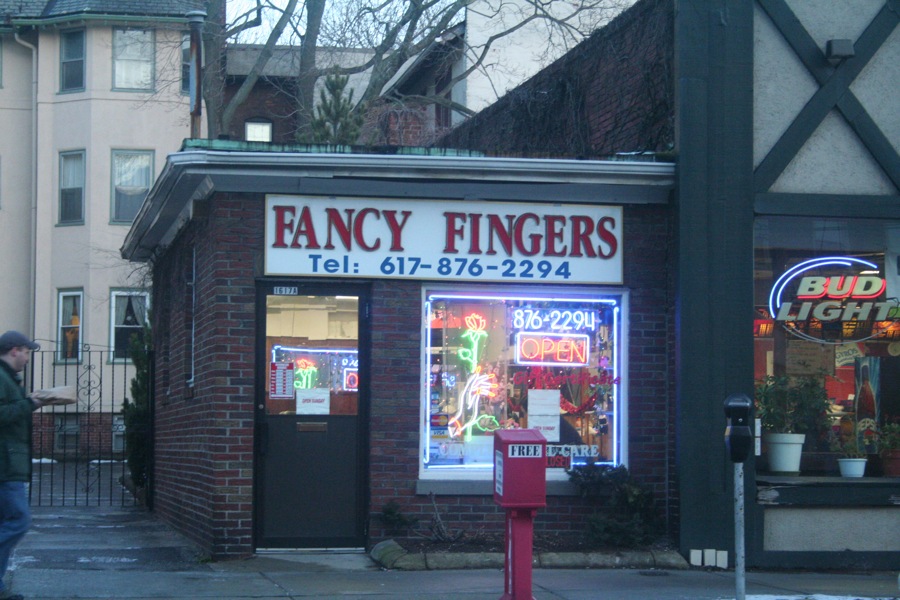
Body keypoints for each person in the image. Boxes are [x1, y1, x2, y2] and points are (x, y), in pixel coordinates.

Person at [0, 331, 42, 600]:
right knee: (19, 521)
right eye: (27, 352)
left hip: (8, 464)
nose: (28, 358)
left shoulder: (8, 379)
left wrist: (30, 402)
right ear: (15, 350)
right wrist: (30, 403)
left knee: (9, 521)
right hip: (4, 467)